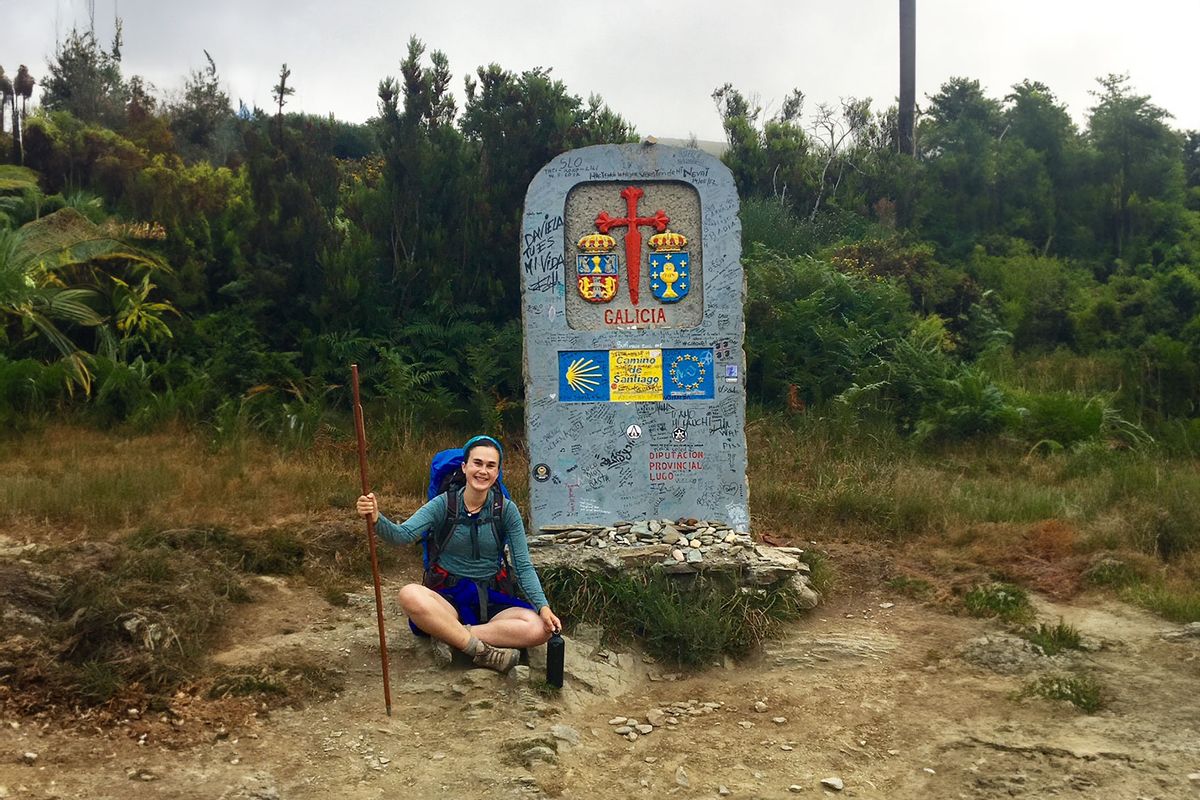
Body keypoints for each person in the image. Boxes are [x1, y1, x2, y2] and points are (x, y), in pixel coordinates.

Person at [356, 435, 562, 674]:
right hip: (448, 597)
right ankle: (482, 651)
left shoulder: (506, 510)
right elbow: (402, 535)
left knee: (540, 629)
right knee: (409, 594)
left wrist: (543, 607)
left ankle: (451, 635)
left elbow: (523, 567)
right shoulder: (444, 504)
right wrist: (376, 518)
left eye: (490, 465)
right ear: (465, 467)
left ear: (497, 473)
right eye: (477, 463)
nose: (482, 471)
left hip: (492, 596)